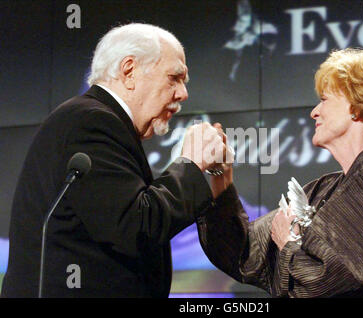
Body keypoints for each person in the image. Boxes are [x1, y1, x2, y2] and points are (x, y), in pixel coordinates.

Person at [197, 48, 363, 297]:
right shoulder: (324, 190)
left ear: (357, 108)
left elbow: (334, 279)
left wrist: (288, 242)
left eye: (325, 99)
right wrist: (221, 174)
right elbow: (242, 252)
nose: (314, 111)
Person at [1, 23, 228, 297]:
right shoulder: (91, 122)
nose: (183, 93)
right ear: (129, 71)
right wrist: (190, 164)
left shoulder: (101, 122)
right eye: (174, 77)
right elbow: (136, 227)